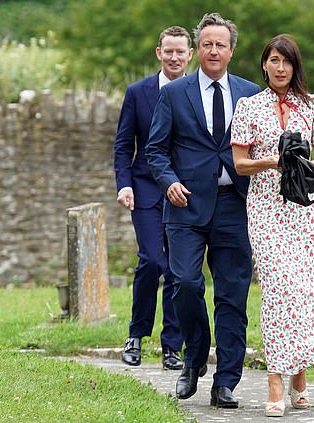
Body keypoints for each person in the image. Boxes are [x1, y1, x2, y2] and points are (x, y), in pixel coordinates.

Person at [230, 34, 314, 417]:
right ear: (264, 64)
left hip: (304, 208)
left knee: (308, 289)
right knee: (278, 289)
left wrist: (302, 164)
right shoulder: (248, 107)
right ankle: (276, 381)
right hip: (266, 209)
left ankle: (300, 372)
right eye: (274, 60)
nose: (280, 68)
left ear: (295, 67)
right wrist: (272, 162)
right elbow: (239, 164)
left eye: (287, 62)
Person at [145, 13, 260, 408]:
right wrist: (168, 181)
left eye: (221, 44)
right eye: (208, 44)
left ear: (231, 50)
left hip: (235, 206)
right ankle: (193, 359)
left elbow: (261, 148)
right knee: (186, 283)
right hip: (185, 206)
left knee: (232, 296)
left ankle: (226, 382)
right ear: (198, 50)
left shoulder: (250, 94)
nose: (214, 50)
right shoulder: (175, 93)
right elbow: (155, 149)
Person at [113, 26, 194, 370]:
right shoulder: (137, 92)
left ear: (190, 54)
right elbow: (122, 145)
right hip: (145, 189)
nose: (174, 57)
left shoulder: (198, 92)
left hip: (185, 192)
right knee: (151, 261)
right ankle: (136, 334)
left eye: (180, 52)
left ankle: (172, 346)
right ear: (158, 53)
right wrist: (124, 184)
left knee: (178, 270)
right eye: (168, 51)